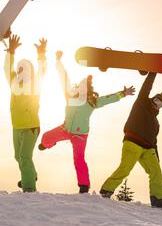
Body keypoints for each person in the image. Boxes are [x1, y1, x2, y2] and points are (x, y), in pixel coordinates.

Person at [38, 51, 135, 193]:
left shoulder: (92, 102)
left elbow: (108, 99)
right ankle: (48, 144)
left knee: (79, 159)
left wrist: (122, 93)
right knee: (46, 137)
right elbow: (63, 78)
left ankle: (84, 185)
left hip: (80, 135)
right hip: (65, 129)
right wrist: (58, 61)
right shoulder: (69, 96)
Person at [99, 72, 162, 208]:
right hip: (133, 142)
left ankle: (157, 199)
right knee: (125, 168)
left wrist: (156, 157)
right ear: (152, 99)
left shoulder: (156, 122)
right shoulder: (141, 103)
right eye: (156, 100)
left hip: (148, 149)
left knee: (156, 171)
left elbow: (155, 141)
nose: (156, 104)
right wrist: (153, 72)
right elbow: (146, 87)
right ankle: (106, 190)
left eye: (159, 104)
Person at [4, 34, 47, 192]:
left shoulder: (35, 83)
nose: (21, 70)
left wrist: (41, 54)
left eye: (25, 68)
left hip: (31, 126)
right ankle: (31, 174)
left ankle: (29, 189)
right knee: (18, 157)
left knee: (24, 157)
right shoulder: (14, 82)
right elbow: (7, 68)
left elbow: (42, 71)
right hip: (16, 126)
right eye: (19, 68)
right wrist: (11, 52)